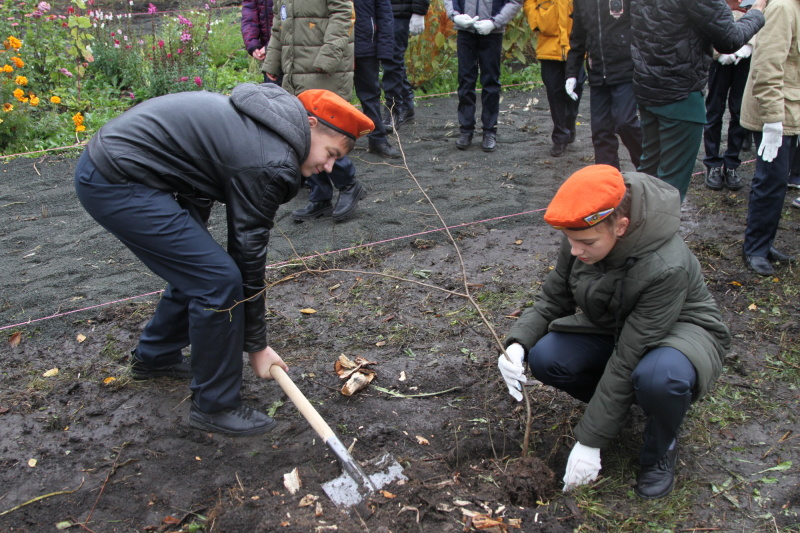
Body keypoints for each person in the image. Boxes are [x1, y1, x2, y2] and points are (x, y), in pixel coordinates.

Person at [74, 85, 374, 436]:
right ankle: (215, 406)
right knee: (217, 280)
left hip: (136, 170)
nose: (328, 167)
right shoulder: (272, 160)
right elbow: (247, 255)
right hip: (118, 179)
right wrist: (257, 346)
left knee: (203, 271)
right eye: (330, 152)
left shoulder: (270, 126)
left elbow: (201, 163)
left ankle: (156, 358)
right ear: (309, 124)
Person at [498, 165, 731, 499]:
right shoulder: (583, 229)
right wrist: (518, 344)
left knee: (660, 378)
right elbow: (553, 298)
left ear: (620, 226)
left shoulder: (666, 265)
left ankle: (659, 446)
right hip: (615, 324)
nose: (575, 251)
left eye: (586, 244)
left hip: (680, 330)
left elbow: (628, 355)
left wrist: (589, 441)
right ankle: (623, 411)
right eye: (570, 242)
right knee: (548, 357)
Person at [630, 0, 765, 202]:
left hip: (647, 86)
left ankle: (636, 228)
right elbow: (729, 39)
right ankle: (658, 232)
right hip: (680, 93)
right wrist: (757, 12)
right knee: (669, 186)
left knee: (648, 174)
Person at [264, 0, 366, 222]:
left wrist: (329, 55)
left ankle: (349, 185)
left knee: (324, 133)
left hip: (323, 69)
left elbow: (343, 13)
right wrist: (273, 62)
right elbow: (279, 24)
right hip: (295, 68)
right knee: (300, 133)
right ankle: (319, 197)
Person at [739, 0, 799, 276]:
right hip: (775, 114)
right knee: (770, 181)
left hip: (790, 111)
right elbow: (767, 67)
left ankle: (765, 243)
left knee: (777, 182)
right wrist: (773, 121)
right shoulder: (783, 8)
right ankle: (755, 248)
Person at [566, 0, 642, 170]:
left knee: (625, 122)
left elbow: (643, 26)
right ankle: (608, 182)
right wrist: (571, 72)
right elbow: (578, 36)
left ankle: (648, 168)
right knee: (601, 131)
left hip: (626, 70)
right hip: (598, 73)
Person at [444, 0, 523, 152]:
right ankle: (466, 130)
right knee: (465, 80)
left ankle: (489, 131)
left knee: (491, 81)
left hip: (492, 32)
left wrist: (495, 22)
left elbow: (515, 1)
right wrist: (455, 16)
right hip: (466, 31)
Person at [702, 0, 756, 192]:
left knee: (739, 111)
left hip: (745, 56)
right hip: (720, 58)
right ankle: (712, 164)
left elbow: (761, 13)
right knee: (714, 110)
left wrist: (749, 45)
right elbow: (706, 17)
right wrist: (718, 51)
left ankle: (732, 164)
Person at [524, 0, 584, 157]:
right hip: (549, 47)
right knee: (554, 91)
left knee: (576, 90)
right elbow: (529, 2)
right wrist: (536, 21)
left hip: (575, 46)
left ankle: (570, 121)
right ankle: (560, 137)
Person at [355, 0, 402, 159]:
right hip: (334, 46)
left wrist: (385, 49)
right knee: (331, 96)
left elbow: (384, 13)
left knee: (370, 95)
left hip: (365, 44)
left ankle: (377, 139)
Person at [382, 0, 431, 132]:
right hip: (378, 9)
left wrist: (419, 11)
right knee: (391, 59)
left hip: (399, 10)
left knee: (392, 58)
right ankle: (407, 105)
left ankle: (393, 110)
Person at [240, 0, 274, 83]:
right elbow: (249, 14)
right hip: (270, 57)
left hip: (295, 49)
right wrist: (252, 43)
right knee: (273, 92)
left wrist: (272, 46)